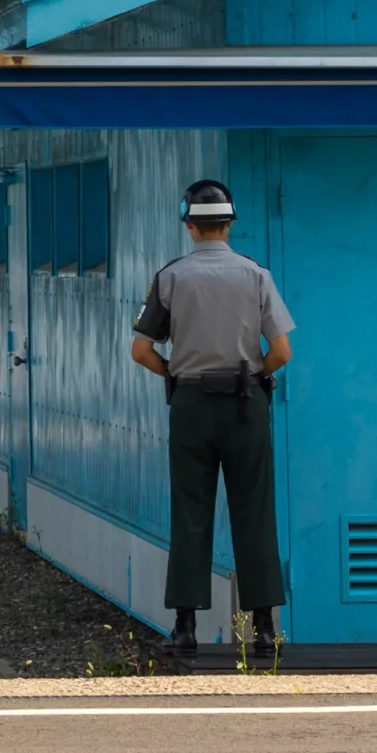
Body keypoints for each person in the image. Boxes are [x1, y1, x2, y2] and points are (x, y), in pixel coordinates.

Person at [130, 179, 295, 660]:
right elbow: (282, 350)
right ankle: (264, 630)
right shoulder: (256, 275)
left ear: (189, 224)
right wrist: (253, 376)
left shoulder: (171, 277)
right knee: (254, 512)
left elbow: (141, 349)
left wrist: (176, 374)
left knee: (191, 512)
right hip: (246, 404)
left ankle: (184, 628)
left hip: (192, 406)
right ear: (230, 223)